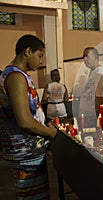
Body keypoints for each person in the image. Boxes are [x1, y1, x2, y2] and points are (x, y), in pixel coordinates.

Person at [0, 34, 57, 199]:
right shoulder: (15, 77)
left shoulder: (19, 75)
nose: (41, 61)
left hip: (30, 150)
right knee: (33, 196)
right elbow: (25, 121)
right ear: (28, 51)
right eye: (39, 56)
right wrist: (51, 133)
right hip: (25, 152)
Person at [78, 47, 103, 128]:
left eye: (87, 56)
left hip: (93, 117)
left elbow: (99, 97)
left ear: (95, 57)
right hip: (88, 115)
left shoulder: (100, 73)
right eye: (83, 57)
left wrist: (97, 118)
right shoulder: (93, 72)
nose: (84, 59)